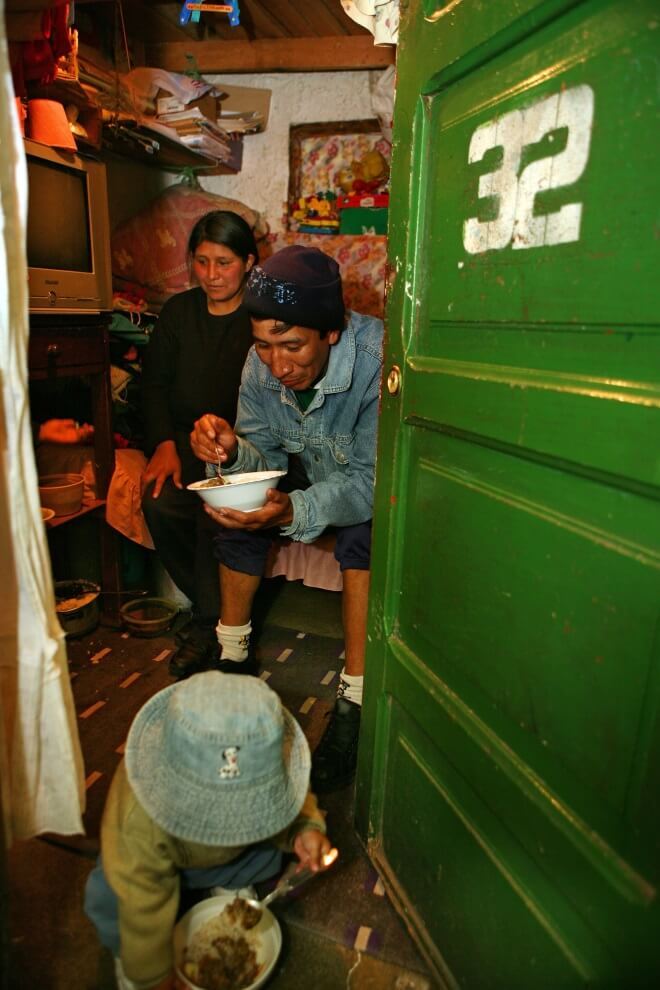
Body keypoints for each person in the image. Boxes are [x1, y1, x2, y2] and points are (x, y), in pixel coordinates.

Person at [190, 245, 383, 793]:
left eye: (293, 345)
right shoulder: (262, 364)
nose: (278, 365)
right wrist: (229, 451)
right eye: (265, 346)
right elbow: (265, 459)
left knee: (366, 535)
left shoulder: (377, 363)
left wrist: (297, 508)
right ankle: (233, 657)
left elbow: (371, 485)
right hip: (307, 473)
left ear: (333, 331)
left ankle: (354, 699)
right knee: (234, 505)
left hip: (364, 486)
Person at [84, 671, 333, 990]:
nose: (233, 826)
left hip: (229, 857)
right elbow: (140, 898)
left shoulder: (273, 763)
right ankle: (131, 964)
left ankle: (234, 882)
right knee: (115, 901)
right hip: (150, 870)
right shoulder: (139, 817)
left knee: (264, 847)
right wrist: (152, 975)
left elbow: (293, 795)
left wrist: (305, 828)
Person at [140, 210, 258, 679]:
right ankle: (212, 611)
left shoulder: (260, 318)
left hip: (245, 448)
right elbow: (153, 386)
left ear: (248, 262)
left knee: (217, 508)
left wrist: (235, 445)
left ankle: (209, 623)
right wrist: (163, 444)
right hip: (187, 446)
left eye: (224, 262)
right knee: (160, 502)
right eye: (202, 262)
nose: (212, 275)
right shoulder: (179, 313)